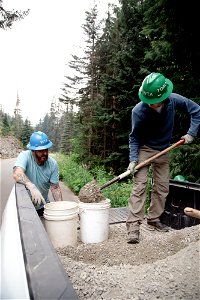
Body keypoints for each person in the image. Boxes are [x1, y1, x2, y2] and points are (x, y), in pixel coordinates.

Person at [126, 72, 200, 244]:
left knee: (162, 186)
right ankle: (133, 228)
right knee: (139, 187)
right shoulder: (139, 110)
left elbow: (196, 110)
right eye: (147, 101)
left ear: (163, 96)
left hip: (164, 149)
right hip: (144, 149)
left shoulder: (173, 100)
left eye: (153, 102)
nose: (150, 105)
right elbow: (134, 137)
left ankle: (153, 219)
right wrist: (133, 159)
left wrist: (191, 133)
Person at [13, 131, 63, 216]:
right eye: (41, 151)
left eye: (46, 149)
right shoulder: (25, 156)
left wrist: (62, 207)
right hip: (24, 207)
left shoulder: (53, 164)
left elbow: (55, 188)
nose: (45, 153)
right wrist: (31, 187)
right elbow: (17, 173)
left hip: (42, 205)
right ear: (33, 150)